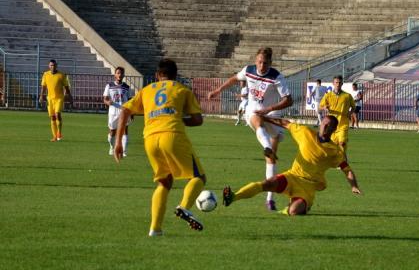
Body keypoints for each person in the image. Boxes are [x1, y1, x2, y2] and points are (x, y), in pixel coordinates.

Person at [114, 59, 206, 237]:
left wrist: (118, 142)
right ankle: (184, 207)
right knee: (198, 177)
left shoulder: (146, 90)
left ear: (157, 75)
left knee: (164, 182)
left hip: (149, 140)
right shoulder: (182, 89)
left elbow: (125, 111)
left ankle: (155, 229)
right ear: (175, 75)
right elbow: (198, 120)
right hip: (172, 135)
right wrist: (181, 119)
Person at [208, 47, 293, 211]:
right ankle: (266, 146)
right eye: (260, 62)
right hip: (254, 109)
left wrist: (269, 109)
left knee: (271, 160)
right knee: (256, 120)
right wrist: (218, 90)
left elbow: (288, 100)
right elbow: (234, 79)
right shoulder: (249, 70)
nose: (262, 66)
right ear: (256, 61)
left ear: (270, 63)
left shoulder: (276, 77)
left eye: (265, 63)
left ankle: (270, 198)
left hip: (271, 112)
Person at [222, 115, 361, 215]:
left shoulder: (334, 150)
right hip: (292, 177)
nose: (324, 127)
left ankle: (292, 208)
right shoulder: (305, 132)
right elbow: (285, 123)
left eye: (328, 126)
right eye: (323, 123)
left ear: (334, 129)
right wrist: (264, 118)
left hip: (308, 187)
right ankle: (233, 197)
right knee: (266, 184)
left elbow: (346, 169)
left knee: (294, 211)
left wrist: (354, 186)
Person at [39, 59, 73, 142]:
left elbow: (66, 87)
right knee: (52, 117)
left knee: (57, 114)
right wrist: (41, 96)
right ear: (49, 66)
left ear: (56, 66)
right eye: (51, 65)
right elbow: (43, 87)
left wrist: (70, 97)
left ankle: (59, 133)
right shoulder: (46, 74)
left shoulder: (61, 75)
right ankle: (54, 136)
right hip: (50, 98)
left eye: (54, 65)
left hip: (59, 98)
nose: (52, 67)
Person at [319, 75, 355, 151]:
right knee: (333, 147)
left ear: (342, 84)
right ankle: (336, 161)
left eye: (339, 82)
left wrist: (350, 112)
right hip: (331, 126)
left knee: (342, 143)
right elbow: (320, 107)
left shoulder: (347, 96)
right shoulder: (328, 95)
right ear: (333, 83)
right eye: (336, 82)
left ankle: (344, 160)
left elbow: (353, 107)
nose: (338, 84)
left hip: (343, 124)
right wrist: (324, 107)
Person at [103, 67, 132, 157]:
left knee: (125, 131)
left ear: (123, 75)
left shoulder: (127, 87)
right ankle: (112, 147)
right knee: (112, 132)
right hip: (113, 112)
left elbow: (130, 101)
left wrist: (132, 113)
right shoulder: (109, 85)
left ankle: (124, 151)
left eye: (121, 73)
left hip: (124, 111)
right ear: (115, 74)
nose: (120, 75)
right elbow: (105, 99)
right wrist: (108, 102)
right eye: (118, 73)